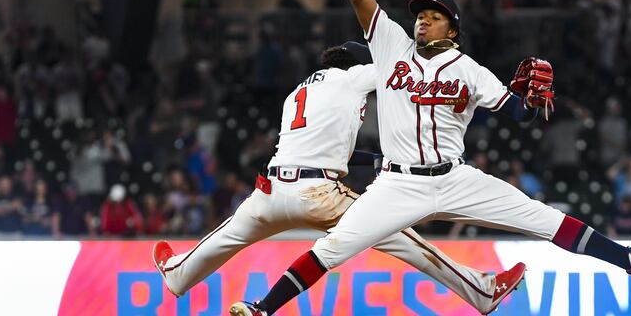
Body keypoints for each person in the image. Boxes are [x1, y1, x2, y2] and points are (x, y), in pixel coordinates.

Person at [234, 0, 631, 316]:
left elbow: (517, 113)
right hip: (397, 185)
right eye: (420, 13)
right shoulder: (390, 46)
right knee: (331, 249)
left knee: (543, 218)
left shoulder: (470, 69)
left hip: (454, 177)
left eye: (434, 15)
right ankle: (261, 309)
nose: (422, 18)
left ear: (452, 28)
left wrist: (532, 104)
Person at [154, 43, 508, 314]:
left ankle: (178, 272)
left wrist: (375, 159)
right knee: (403, 237)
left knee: (228, 236)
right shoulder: (352, 77)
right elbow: (400, 67)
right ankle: (480, 290)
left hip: (272, 190)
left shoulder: (298, 93)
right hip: (319, 193)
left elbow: (323, 146)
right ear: (356, 64)